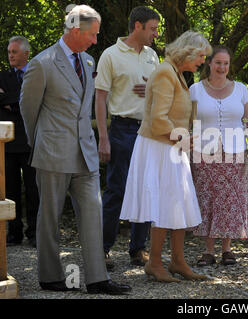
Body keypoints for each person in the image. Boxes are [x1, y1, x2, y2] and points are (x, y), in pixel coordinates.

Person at [19, 5, 131, 295]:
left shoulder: (89, 62)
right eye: (92, 35)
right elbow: (27, 110)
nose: (96, 41)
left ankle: (97, 279)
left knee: (93, 214)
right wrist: (40, 141)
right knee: (50, 217)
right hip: (52, 153)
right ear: (75, 31)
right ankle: (50, 276)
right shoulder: (43, 63)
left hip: (86, 153)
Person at [119, 30, 212, 282]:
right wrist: (182, 138)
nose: (203, 61)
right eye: (201, 55)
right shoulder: (164, 73)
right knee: (164, 204)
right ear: (188, 52)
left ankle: (178, 261)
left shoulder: (177, 74)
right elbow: (159, 120)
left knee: (179, 201)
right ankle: (156, 263)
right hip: (159, 146)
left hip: (172, 146)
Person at [95, 6, 160, 271]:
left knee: (145, 190)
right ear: (138, 26)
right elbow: (100, 98)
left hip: (148, 131)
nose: (156, 34)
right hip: (121, 130)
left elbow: (160, 93)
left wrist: (152, 88)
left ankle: (138, 248)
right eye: (153, 29)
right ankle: (102, 249)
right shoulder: (110, 55)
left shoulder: (153, 56)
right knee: (116, 191)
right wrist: (103, 137)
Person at [189, 45, 248, 267]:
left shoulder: (241, 89)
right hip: (204, 153)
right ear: (209, 63)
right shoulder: (195, 89)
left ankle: (227, 249)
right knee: (208, 198)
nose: (222, 67)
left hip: (234, 153)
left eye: (226, 63)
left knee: (230, 200)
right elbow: (188, 121)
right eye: (218, 62)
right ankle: (208, 251)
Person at [0, 36, 39, 247]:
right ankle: (14, 234)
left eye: (14, 52)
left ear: (26, 53)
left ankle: (34, 233)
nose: (10, 55)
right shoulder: (2, 76)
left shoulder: (35, 74)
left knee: (34, 189)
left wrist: (10, 102)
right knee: (10, 191)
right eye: (9, 52)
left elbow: (35, 100)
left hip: (32, 140)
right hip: (8, 143)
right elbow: (23, 100)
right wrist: (19, 101)